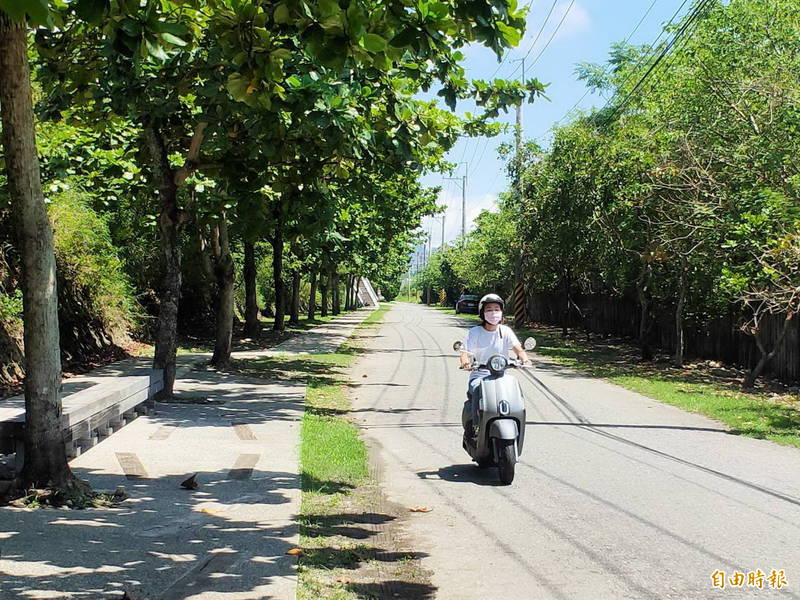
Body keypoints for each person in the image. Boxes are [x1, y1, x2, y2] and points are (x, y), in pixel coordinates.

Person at [459, 293, 531, 437]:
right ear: (482, 312)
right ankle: (475, 426)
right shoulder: (475, 332)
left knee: (514, 387)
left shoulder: (505, 331)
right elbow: (465, 352)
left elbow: (518, 348)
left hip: (501, 375)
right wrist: (466, 363)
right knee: (478, 388)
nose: (493, 313)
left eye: (496, 309)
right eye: (489, 309)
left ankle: (516, 423)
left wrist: (525, 359)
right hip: (480, 375)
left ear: (502, 311)